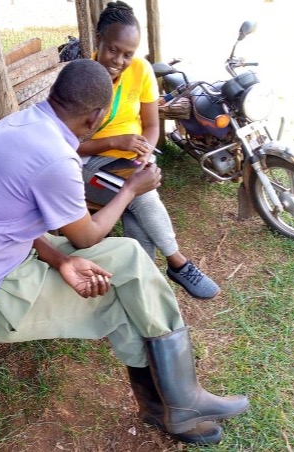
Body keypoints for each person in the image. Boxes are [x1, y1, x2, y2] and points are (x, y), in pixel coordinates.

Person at [0, 59, 249, 445]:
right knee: (121, 304)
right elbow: (87, 238)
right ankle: (173, 406)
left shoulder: (21, 125)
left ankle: (177, 402)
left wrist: (59, 259)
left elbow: (3, 221)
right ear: (95, 117)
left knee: (129, 256)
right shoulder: (55, 158)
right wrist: (131, 189)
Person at [79, 1, 220, 300]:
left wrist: (144, 153)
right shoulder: (83, 78)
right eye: (113, 49)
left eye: (128, 54)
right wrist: (115, 142)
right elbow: (71, 145)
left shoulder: (140, 69)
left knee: (137, 201)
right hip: (88, 163)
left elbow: (152, 126)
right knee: (140, 194)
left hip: (129, 159)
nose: (119, 60)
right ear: (98, 39)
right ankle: (177, 262)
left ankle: (142, 283)